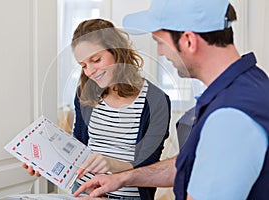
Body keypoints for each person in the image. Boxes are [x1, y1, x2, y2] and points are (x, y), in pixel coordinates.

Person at [73, 0, 269, 199]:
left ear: (188, 41)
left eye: (159, 42)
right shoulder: (247, 85)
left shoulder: (230, 116)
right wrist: (123, 178)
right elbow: (186, 166)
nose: (160, 52)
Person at [23, 18, 171, 200]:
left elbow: (149, 164)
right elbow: (78, 147)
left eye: (96, 60)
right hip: (85, 193)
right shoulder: (85, 95)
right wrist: (45, 160)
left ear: (117, 51)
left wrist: (109, 164)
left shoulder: (156, 101)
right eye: (83, 65)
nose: (90, 71)